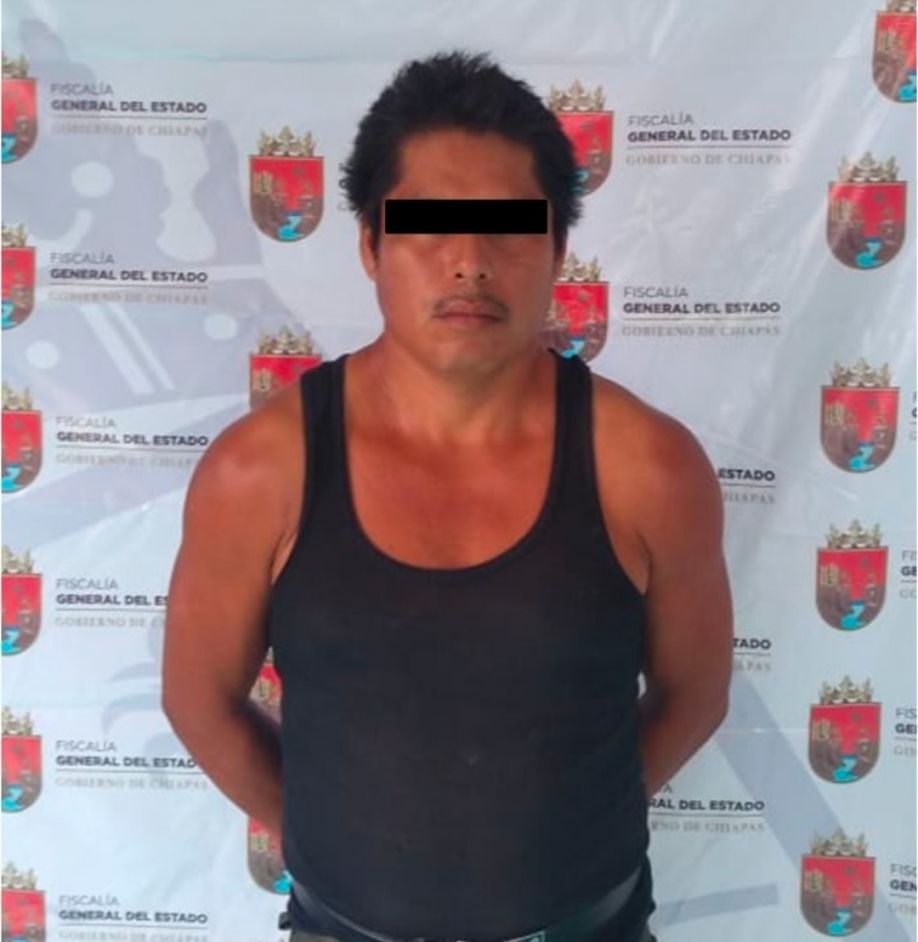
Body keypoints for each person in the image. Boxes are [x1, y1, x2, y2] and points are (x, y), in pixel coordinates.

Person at [163, 50, 733, 942]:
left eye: (508, 227)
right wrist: (335, 841)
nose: (469, 261)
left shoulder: (651, 469)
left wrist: (569, 817)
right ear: (370, 245)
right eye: (430, 225)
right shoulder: (260, 473)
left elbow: (694, 694)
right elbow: (199, 701)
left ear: (558, 250)